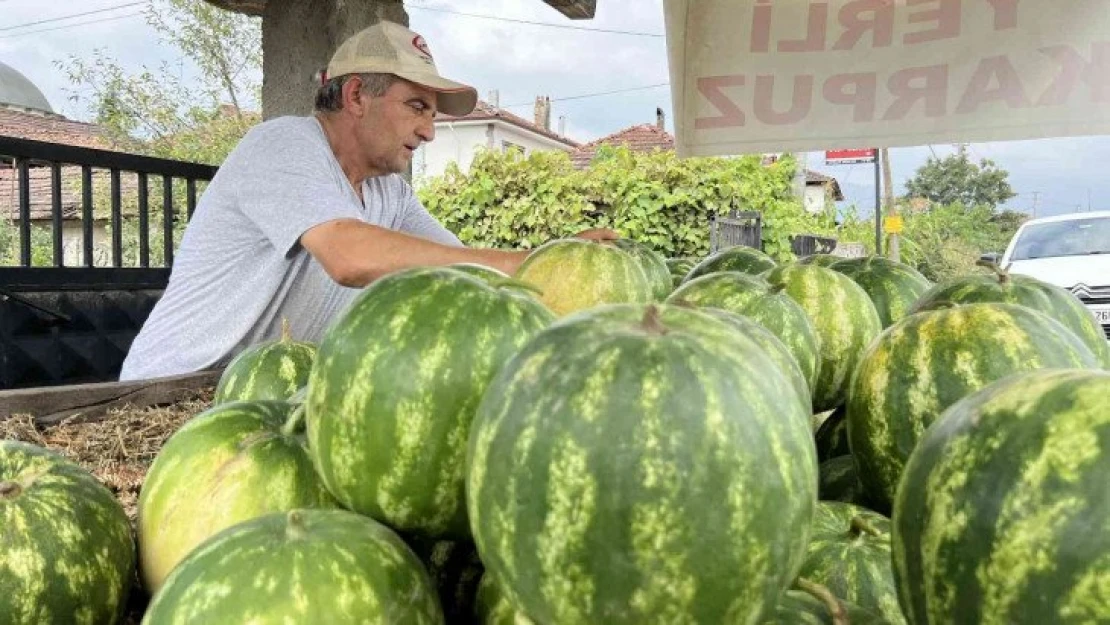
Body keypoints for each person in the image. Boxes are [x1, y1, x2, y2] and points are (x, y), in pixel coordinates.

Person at [119, 21, 615, 381]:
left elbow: (464, 272)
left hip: (270, 398)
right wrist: (525, 262)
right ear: (356, 96)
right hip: (170, 394)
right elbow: (348, 255)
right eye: (417, 107)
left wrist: (563, 261)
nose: (427, 131)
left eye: (433, 115)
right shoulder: (281, 145)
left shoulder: (388, 193)